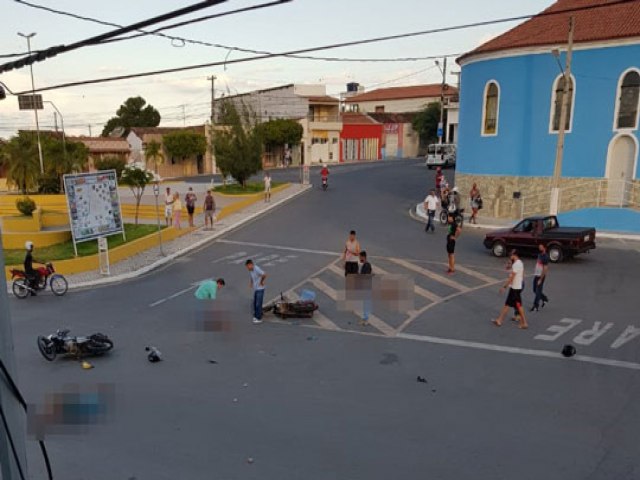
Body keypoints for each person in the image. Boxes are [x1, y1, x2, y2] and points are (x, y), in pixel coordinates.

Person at [492, 250, 528, 329]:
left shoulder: (516, 264)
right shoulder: (519, 263)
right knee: (508, 304)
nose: (510, 256)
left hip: (515, 288)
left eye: (511, 255)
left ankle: (524, 323)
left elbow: (512, 277)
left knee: (518, 305)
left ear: (514, 255)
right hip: (516, 287)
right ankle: (499, 320)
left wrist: (504, 287)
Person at [245, 259, 267, 325]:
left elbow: (264, 274)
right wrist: (251, 283)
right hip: (256, 289)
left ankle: (258, 318)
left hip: (260, 289)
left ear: (251, 265)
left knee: (258, 304)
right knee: (255, 303)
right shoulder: (251, 270)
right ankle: (256, 316)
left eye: (247, 266)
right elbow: (252, 276)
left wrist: (261, 282)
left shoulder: (256, 268)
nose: (247, 268)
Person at [531, 243, 550, 311]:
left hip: (540, 276)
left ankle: (535, 306)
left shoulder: (545, 257)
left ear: (544, 248)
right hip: (536, 275)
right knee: (534, 290)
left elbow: (545, 269)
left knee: (538, 291)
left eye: (541, 247)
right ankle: (544, 298)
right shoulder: (539, 255)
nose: (539, 248)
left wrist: (541, 279)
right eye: (539, 247)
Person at [358, 251, 373, 326]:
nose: (359, 258)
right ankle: (364, 319)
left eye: (360, 257)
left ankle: (366, 320)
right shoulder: (366, 265)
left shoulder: (366, 265)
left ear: (363, 257)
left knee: (366, 304)